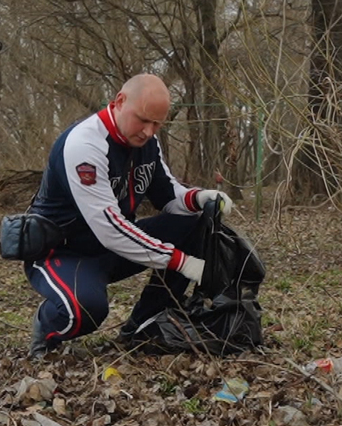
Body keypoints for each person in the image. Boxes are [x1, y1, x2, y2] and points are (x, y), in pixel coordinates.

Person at [23, 74, 230, 358]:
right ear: (120, 101)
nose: (148, 131)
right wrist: (181, 262)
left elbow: (168, 196)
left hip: (110, 250)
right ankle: (47, 328)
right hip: (63, 253)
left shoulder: (147, 144)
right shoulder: (84, 145)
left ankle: (144, 325)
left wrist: (199, 198)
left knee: (194, 222)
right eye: (143, 119)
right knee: (85, 311)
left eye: (157, 123)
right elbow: (110, 228)